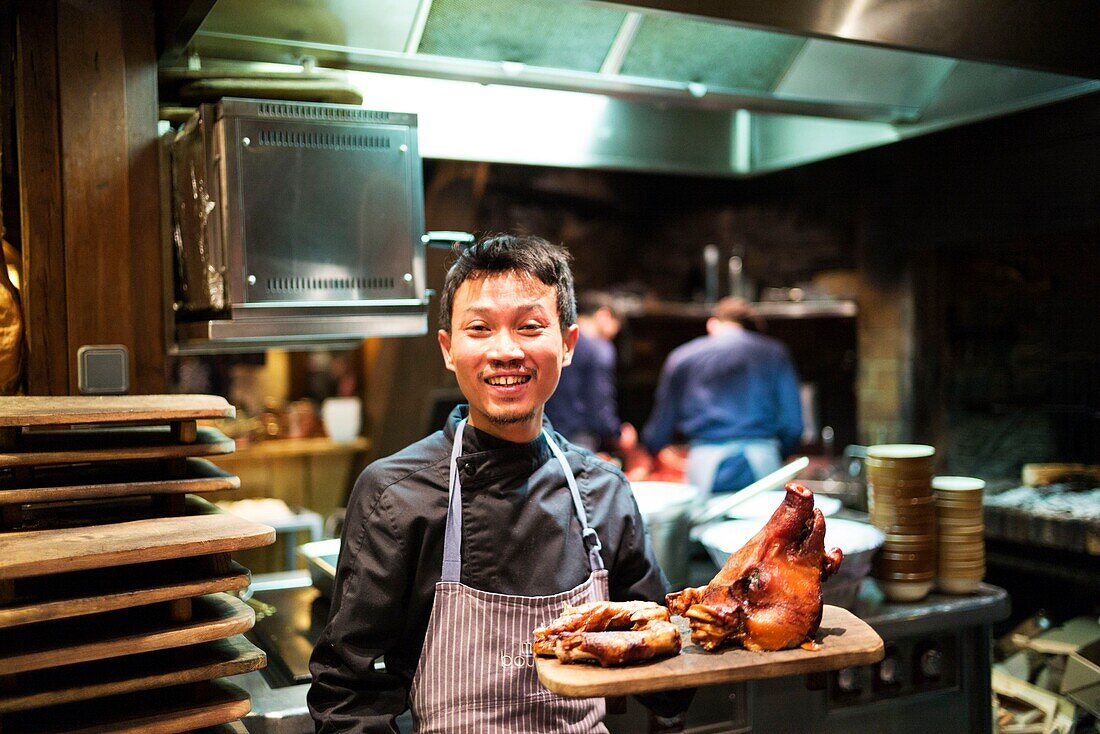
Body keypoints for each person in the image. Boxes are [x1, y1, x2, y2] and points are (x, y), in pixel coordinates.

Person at [308, 234, 688, 733]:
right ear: (448, 349)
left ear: (568, 345)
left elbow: (664, 669)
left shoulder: (604, 490)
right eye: (480, 328)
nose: (505, 351)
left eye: (530, 327)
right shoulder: (396, 495)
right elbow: (347, 695)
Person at [642, 296, 803, 496]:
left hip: (706, 467)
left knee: (704, 526)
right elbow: (793, 424)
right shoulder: (775, 353)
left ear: (712, 324)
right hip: (763, 464)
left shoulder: (682, 357)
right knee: (772, 524)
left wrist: (652, 449)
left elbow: (660, 428)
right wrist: (780, 454)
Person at [544, 292, 626, 453]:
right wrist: (614, 432)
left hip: (544, 428)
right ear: (604, 315)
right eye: (616, 326)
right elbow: (600, 398)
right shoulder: (600, 348)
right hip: (578, 436)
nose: (614, 334)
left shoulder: (556, 340)